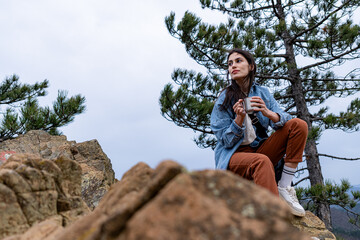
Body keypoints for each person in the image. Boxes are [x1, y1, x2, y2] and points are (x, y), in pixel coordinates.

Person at [210, 48, 308, 217]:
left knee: (298, 125)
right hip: (234, 156)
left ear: (251, 66)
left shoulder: (262, 92)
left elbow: (285, 118)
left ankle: (284, 187)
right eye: (230, 63)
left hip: (260, 150)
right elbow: (224, 141)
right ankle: (274, 222)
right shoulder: (224, 98)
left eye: (238, 61)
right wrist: (238, 120)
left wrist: (269, 113)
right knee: (261, 161)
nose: (233, 66)